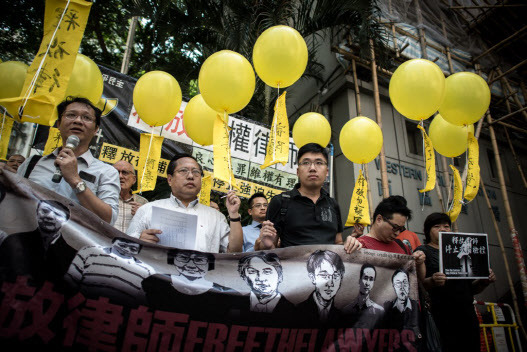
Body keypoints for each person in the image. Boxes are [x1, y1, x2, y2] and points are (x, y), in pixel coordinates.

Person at [15, 96, 120, 225]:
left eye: (86, 118)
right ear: (58, 124)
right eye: (71, 115)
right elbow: (13, 201)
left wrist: (75, 180)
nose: (78, 121)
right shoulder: (32, 164)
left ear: (96, 129)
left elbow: (108, 220)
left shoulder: (107, 172)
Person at [127, 153, 243, 253]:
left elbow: (234, 252)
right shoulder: (147, 210)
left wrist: (234, 215)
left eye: (196, 172)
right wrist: (139, 242)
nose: (191, 176)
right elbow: (125, 248)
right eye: (183, 171)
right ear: (170, 179)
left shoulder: (216, 217)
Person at [255, 143, 361, 252]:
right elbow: (270, 248)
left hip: (327, 268)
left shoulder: (333, 204)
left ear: (327, 172)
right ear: (298, 172)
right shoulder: (280, 202)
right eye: (306, 163)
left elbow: (337, 243)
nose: (312, 168)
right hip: (293, 268)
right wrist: (266, 245)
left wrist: (350, 242)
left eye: (319, 163)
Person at [416, 213, 496, 351]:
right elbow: (418, 284)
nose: (443, 229)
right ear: (427, 231)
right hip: (439, 314)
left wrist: (484, 282)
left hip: (467, 313)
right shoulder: (422, 252)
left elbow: (471, 288)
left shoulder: (464, 252)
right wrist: (433, 281)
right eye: (437, 226)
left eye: (446, 226)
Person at [142, 248, 241, 319]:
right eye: (183, 258)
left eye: (199, 260)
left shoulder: (228, 294)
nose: (191, 265)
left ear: (210, 264)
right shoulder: (154, 282)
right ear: (172, 259)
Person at [345, 196, 426, 281]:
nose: (397, 233)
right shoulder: (359, 246)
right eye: (395, 227)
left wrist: (420, 263)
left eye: (401, 229)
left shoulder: (402, 246)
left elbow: (419, 279)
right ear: (379, 219)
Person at [65, 237, 154, 306]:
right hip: (81, 306)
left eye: (133, 249)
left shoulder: (146, 270)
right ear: (113, 241)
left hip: (116, 315)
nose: (126, 250)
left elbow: (143, 301)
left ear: (139, 251)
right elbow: (70, 280)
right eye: (122, 245)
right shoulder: (90, 251)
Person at [0, 200, 72, 284]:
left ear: (66, 221)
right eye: (45, 210)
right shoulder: (13, 240)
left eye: (58, 214)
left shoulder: (72, 254)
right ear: (37, 213)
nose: (50, 216)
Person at [297, 250, 344, 325]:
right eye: (324, 275)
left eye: (335, 276)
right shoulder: (296, 312)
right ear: (313, 278)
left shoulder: (343, 316)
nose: (330, 283)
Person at [342, 263, 384, 329]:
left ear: (373, 283)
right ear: (359, 280)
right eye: (365, 278)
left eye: (371, 279)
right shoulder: (347, 310)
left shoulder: (379, 311)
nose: (367, 283)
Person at [112, 160, 148, 232]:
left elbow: (149, 229)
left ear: (134, 179)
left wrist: (142, 216)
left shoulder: (143, 203)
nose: (120, 176)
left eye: (125, 173)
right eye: (116, 172)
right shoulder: (103, 197)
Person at [382, 269, 420, 337]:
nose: (402, 287)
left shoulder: (416, 306)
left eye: (405, 283)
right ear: (394, 286)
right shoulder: (387, 307)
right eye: (398, 283)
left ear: (409, 285)